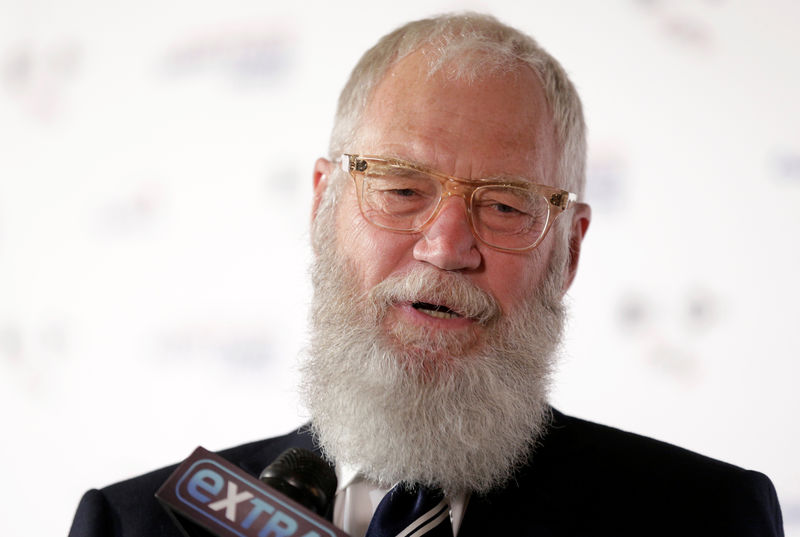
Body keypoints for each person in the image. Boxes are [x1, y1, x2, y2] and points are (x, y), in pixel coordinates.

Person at [68, 12, 784, 537]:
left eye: (505, 204)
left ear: (567, 252)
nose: (446, 246)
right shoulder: (137, 523)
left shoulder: (701, 518)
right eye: (401, 188)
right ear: (324, 206)